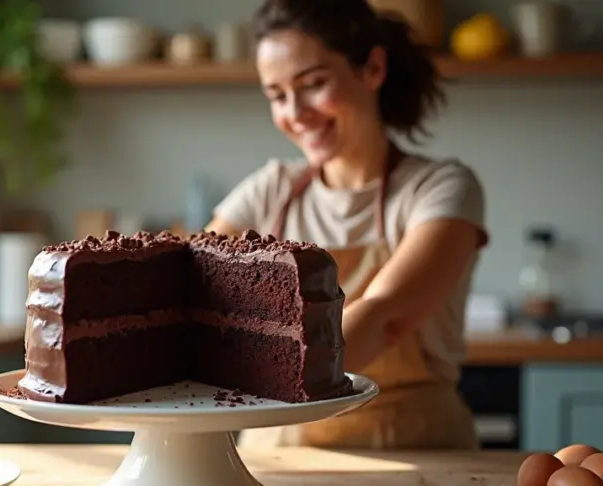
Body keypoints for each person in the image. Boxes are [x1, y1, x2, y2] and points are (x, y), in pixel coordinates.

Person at [205, 0, 490, 450]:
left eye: (313, 84)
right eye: (277, 95)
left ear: (373, 68)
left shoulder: (440, 188)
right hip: (280, 446)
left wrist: (259, 376)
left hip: (414, 447)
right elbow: (194, 281)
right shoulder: (272, 189)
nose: (295, 112)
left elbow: (384, 315)